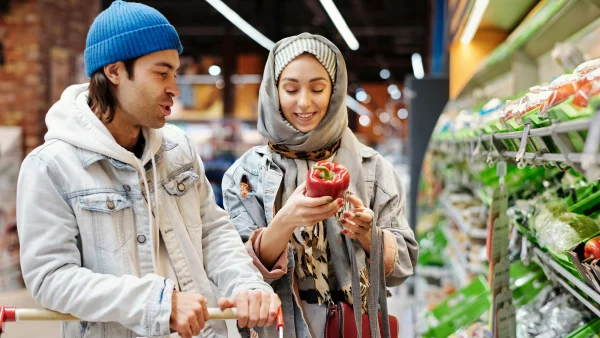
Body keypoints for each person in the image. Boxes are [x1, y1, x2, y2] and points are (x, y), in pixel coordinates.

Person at [16, 2, 279, 337]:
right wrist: (157, 304)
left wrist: (246, 284)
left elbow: (212, 232)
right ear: (114, 72)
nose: (174, 87)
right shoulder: (51, 167)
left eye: (175, 73)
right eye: (161, 72)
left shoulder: (178, 147)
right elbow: (50, 278)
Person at [222, 33, 418, 337]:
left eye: (317, 88)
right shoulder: (245, 175)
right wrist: (286, 220)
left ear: (335, 91)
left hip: (352, 325)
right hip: (279, 325)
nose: (303, 102)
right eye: (290, 89)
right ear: (273, 92)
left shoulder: (373, 168)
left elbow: (403, 264)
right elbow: (235, 271)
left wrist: (369, 235)